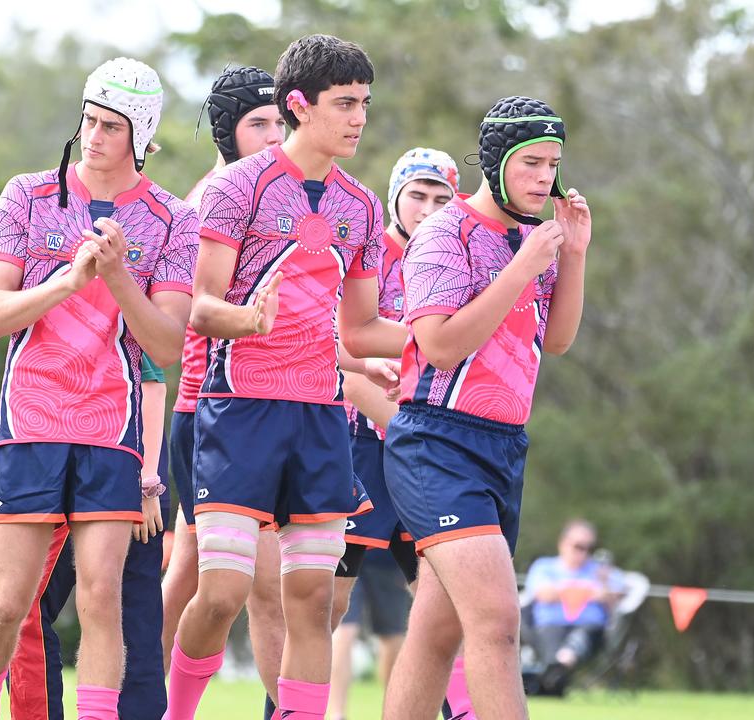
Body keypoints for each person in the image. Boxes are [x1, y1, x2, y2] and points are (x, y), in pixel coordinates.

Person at [164, 34, 407, 720]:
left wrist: (428, 341)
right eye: (344, 104)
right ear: (298, 105)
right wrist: (243, 321)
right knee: (221, 592)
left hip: (321, 419)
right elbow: (201, 306)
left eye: (364, 103)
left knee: (310, 599)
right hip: (237, 411)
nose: (359, 118)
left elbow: (358, 328)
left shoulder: (359, 205)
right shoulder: (236, 188)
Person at [0, 56, 197, 720]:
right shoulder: (27, 195)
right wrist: (67, 282)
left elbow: (170, 345)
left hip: (111, 429)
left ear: (142, 136)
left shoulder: (173, 218)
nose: (93, 136)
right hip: (31, 420)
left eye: (110, 126)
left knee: (101, 595)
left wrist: (119, 276)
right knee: (9, 599)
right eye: (89, 120)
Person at [382, 96, 591, 720]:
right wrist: (523, 268)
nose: (544, 178)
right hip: (436, 444)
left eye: (553, 164)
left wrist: (572, 255)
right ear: (496, 162)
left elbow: (555, 340)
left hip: (503, 447)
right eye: (531, 163)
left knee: (436, 633)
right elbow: (440, 347)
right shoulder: (444, 233)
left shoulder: (533, 238)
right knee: (498, 625)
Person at [161, 65, 288, 711]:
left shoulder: (280, 192)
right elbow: (192, 319)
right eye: (256, 123)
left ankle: (140, 701)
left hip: (265, 409)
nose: (272, 137)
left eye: (278, 123)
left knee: (190, 577)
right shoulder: (216, 197)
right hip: (214, 412)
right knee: (263, 585)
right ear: (224, 131)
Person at [330, 147, 461, 720]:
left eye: (442, 200)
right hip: (360, 447)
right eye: (418, 196)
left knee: (452, 604)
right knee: (323, 605)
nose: (429, 210)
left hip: (428, 454)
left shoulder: (461, 260)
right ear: (395, 197)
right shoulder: (369, 255)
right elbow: (343, 359)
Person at [7, 352, 171, 720]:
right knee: (128, 613)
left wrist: (146, 481)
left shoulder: (121, 295)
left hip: (109, 463)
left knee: (27, 606)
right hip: (94, 459)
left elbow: (153, 381)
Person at [522, 519, 623, 694]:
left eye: (589, 548)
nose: (584, 553)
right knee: (554, 650)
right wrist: (588, 593)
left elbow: (619, 594)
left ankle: (557, 670)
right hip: (548, 627)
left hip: (590, 629)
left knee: (580, 638)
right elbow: (544, 594)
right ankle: (553, 678)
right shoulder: (544, 566)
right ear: (563, 543)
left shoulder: (600, 571)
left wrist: (604, 585)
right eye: (579, 546)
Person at [327, 551, 410, 720]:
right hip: (353, 549)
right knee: (344, 631)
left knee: (391, 636)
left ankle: (393, 711)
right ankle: (337, 715)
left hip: (387, 556)